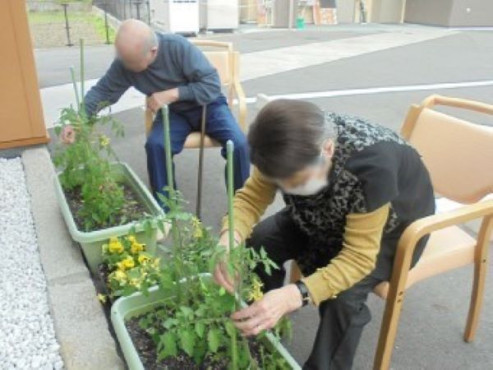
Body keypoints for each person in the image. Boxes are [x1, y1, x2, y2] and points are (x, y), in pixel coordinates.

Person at [214, 100, 435, 369]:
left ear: (327, 149)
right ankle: (260, 325)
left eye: (294, 183)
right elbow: (250, 200)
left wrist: (296, 294)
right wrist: (229, 240)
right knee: (260, 241)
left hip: (390, 231)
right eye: (280, 184)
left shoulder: (371, 170)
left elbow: (358, 259)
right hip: (322, 215)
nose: (286, 191)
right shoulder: (281, 146)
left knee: (343, 299)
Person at [62, 19, 249, 206]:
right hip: (174, 113)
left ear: (153, 51)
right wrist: (79, 120)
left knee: (239, 145)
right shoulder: (126, 62)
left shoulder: (177, 47)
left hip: (209, 105)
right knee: (156, 145)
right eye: (123, 62)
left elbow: (211, 85)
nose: (125, 67)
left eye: (131, 63)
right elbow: (102, 91)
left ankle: (240, 210)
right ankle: (165, 209)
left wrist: (172, 94)